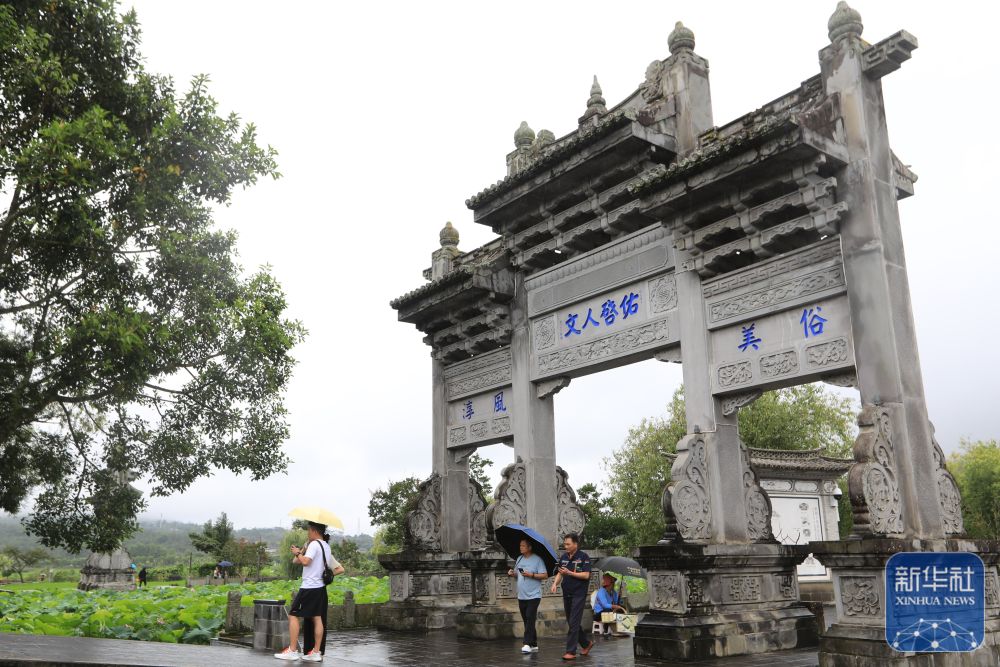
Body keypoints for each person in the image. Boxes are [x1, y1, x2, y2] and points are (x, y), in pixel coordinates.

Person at [274, 522, 345, 663]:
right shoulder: (326, 546)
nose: (307, 533)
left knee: (293, 615)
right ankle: (316, 653)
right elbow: (299, 562)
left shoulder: (314, 545)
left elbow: (306, 562)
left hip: (309, 587)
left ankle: (292, 651)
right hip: (319, 588)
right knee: (317, 618)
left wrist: (298, 552)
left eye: (308, 530)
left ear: (314, 530)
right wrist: (302, 550)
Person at [550, 533, 593, 661]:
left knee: (574, 621)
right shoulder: (563, 557)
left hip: (579, 593)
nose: (566, 546)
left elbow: (586, 575)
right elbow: (559, 573)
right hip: (567, 593)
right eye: (565, 544)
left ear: (575, 544)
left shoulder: (583, 557)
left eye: (568, 544)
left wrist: (570, 572)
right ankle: (586, 644)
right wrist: (555, 584)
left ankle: (571, 651)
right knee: (571, 621)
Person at [507, 538, 548, 654]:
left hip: (534, 595)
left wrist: (531, 575)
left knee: (530, 617)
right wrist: (512, 573)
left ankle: (526, 643)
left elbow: (545, 575)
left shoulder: (537, 560)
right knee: (527, 619)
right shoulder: (519, 559)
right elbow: (517, 574)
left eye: (523, 546)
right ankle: (533, 644)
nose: (521, 548)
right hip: (522, 595)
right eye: (520, 545)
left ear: (529, 547)